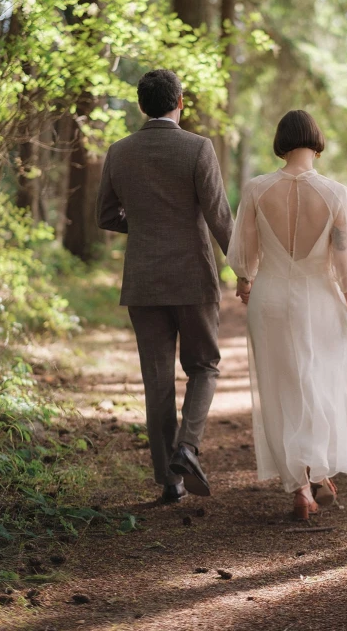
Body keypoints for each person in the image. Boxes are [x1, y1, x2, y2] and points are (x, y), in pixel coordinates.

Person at [227, 110, 347, 519]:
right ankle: (317, 469)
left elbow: (245, 251)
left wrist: (245, 282)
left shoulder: (257, 190)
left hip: (270, 298)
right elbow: (345, 257)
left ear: (281, 142)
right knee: (320, 382)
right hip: (319, 297)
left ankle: (302, 487)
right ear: (316, 141)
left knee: (280, 387)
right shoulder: (335, 195)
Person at [96, 69, 233, 504]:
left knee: (157, 381)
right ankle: (187, 449)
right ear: (180, 101)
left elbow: (105, 216)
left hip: (144, 280)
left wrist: (144, 224)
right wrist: (246, 268)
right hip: (193, 276)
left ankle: (168, 482)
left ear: (141, 106)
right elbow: (219, 218)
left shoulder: (119, 152)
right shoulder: (197, 148)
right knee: (204, 366)